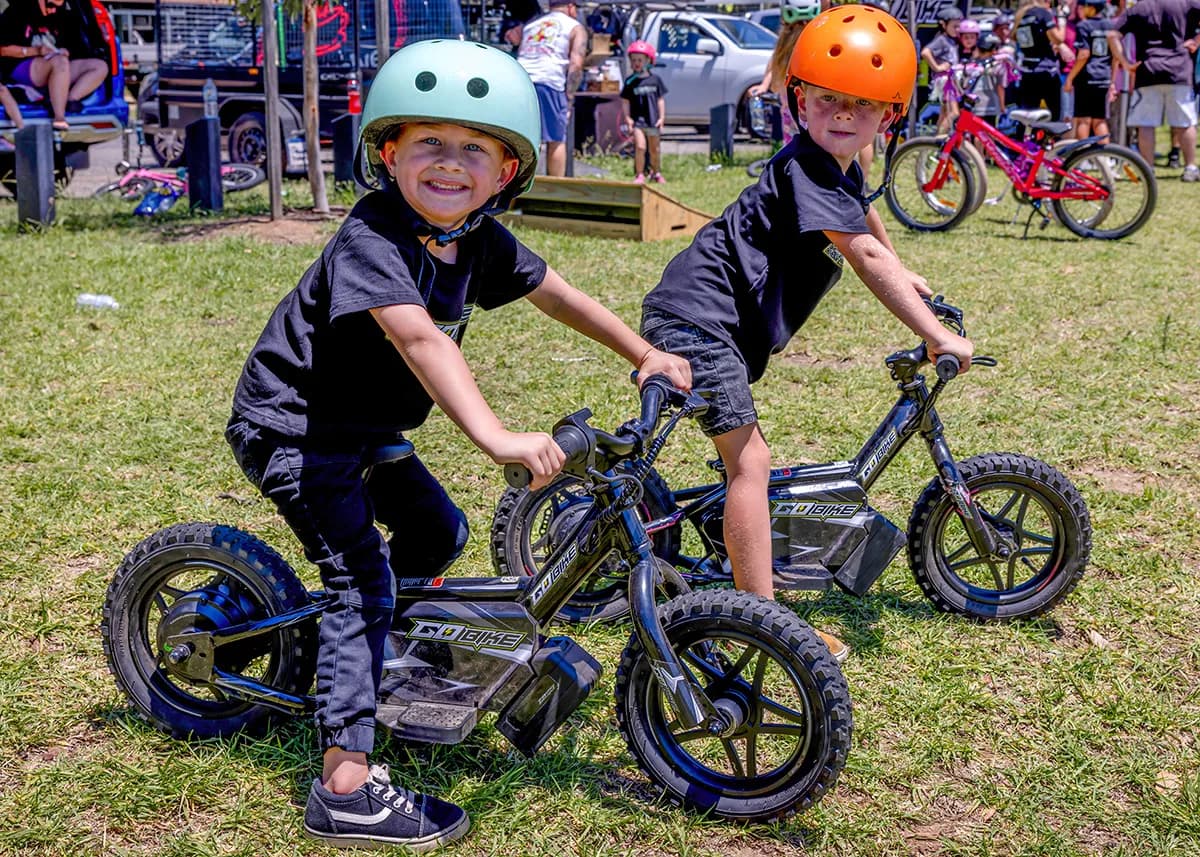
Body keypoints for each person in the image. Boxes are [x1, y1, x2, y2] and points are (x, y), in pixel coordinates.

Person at [225, 40, 691, 852]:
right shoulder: (373, 234)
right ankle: (343, 784)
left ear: (507, 170)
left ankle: (378, 667)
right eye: (429, 143)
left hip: (365, 429)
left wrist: (642, 352)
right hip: (296, 430)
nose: (451, 163)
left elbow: (560, 296)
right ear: (389, 153)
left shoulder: (477, 238)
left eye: (475, 147)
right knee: (359, 579)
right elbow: (420, 339)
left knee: (440, 532)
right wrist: (496, 435)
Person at [639, 5, 974, 665]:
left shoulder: (838, 165)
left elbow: (868, 220)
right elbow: (865, 255)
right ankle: (762, 619)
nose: (843, 114)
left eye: (862, 105)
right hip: (697, 320)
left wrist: (906, 269)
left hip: (718, 322)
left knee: (744, 457)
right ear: (801, 99)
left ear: (888, 117)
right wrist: (934, 333)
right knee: (750, 464)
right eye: (828, 100)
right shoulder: (807, 169)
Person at [1107, 0, 1200, 181]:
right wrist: (1196, 41)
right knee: (1185, 122)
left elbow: (1112, 35)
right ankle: (1190, 167)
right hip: (1179, 70)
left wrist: (1125, 62)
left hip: (1147, 70)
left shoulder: (1139, 8)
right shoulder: (1185, 3)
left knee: (1146, 124)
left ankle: (1148, 168)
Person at [0, 0, 108, 132]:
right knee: (59, 63)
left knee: (100, 66)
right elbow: (3, 49)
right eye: (50, 5)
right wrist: (35, 51)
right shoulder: (17, 12)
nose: (54, 10)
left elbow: (73, 46)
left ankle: (68, 100)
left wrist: (65, 51)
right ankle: (59, 118)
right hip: (21, 65)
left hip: (55, 65)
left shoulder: (61, 16)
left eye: (59, 6)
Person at [517, 0, 586, 177]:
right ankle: (554, 189)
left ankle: (517, 188)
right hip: (550, 82)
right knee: (555, 139)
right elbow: (576, 64)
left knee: (521, 138)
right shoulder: (576, 27)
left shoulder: (531, 24)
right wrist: (569, 98)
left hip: (520, 81)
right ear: (571, 7)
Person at [749, 0, 821, 145]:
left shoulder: (815, 38)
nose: (800, 27)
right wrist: (764, 85)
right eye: (798, 24)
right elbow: (776, 63)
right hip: (792, 105)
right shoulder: (786, 40)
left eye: (805, 22)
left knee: (805, 143)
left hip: (807, 105)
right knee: (795, 143)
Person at [1065, 0, 1116, 142]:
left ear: (1092, 8)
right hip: (1103, 77)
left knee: (1083, 120)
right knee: (1099, 120)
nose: (1080, 9)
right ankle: (1104, 157)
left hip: (1087, 78)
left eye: (1084, 7)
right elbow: (1116, 57)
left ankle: (1083, 157)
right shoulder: (1109, 25)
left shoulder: (1083, 26)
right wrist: (1112, 81)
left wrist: (1070, 78)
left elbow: (1083, 54)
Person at [620, 39, 668, 183]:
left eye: (640, 60)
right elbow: (625, 101)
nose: (636, 63)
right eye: (633, 60)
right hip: (638, 122)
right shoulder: (630, 82)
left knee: (654, 149)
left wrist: (662, 117)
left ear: (648, 60)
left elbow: (660, 100)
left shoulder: (655, 80)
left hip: (652, 120)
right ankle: (639, 174)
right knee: (640, 147)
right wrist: (628, 118)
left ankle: (656, 172)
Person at [1013, 0, 1069, 121]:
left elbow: (1014, 37)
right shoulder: (1042, 13)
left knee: (1027, 118)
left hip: (1027, 73)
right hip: (1046, 73)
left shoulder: (1021, 14)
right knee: (1055, 117)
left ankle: (1025, 140)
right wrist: (1061, 19)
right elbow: (1059, 38)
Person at [922, 6, 963, 134]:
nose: (957, 30)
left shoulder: (951, 40)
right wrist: (937, 67)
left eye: (958, 26)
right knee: (954, 113)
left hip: (950, 81)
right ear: (943, 25)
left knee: (944, 113)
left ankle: (936, 140)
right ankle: (940, 140)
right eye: (954, 26)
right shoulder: (941, 40)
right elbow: (925, 52)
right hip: (946, 82)